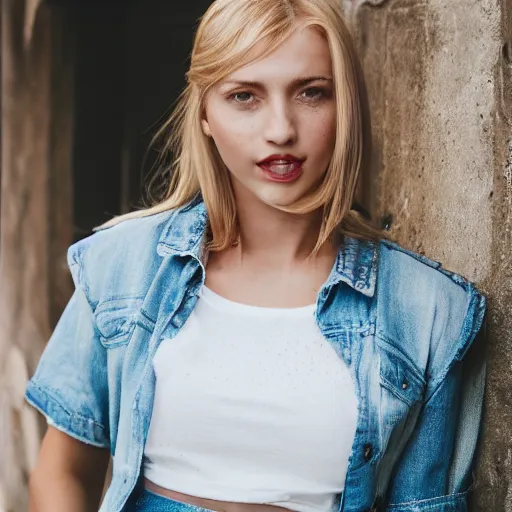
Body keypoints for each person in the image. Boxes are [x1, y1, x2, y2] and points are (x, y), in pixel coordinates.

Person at [26, 0, 487, 511]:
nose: (281, 129)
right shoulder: (122, 267)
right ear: (204, 112)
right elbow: (62, 473)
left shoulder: (428, 310)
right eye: (244, 96)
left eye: (311, 92)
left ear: (347, 104)